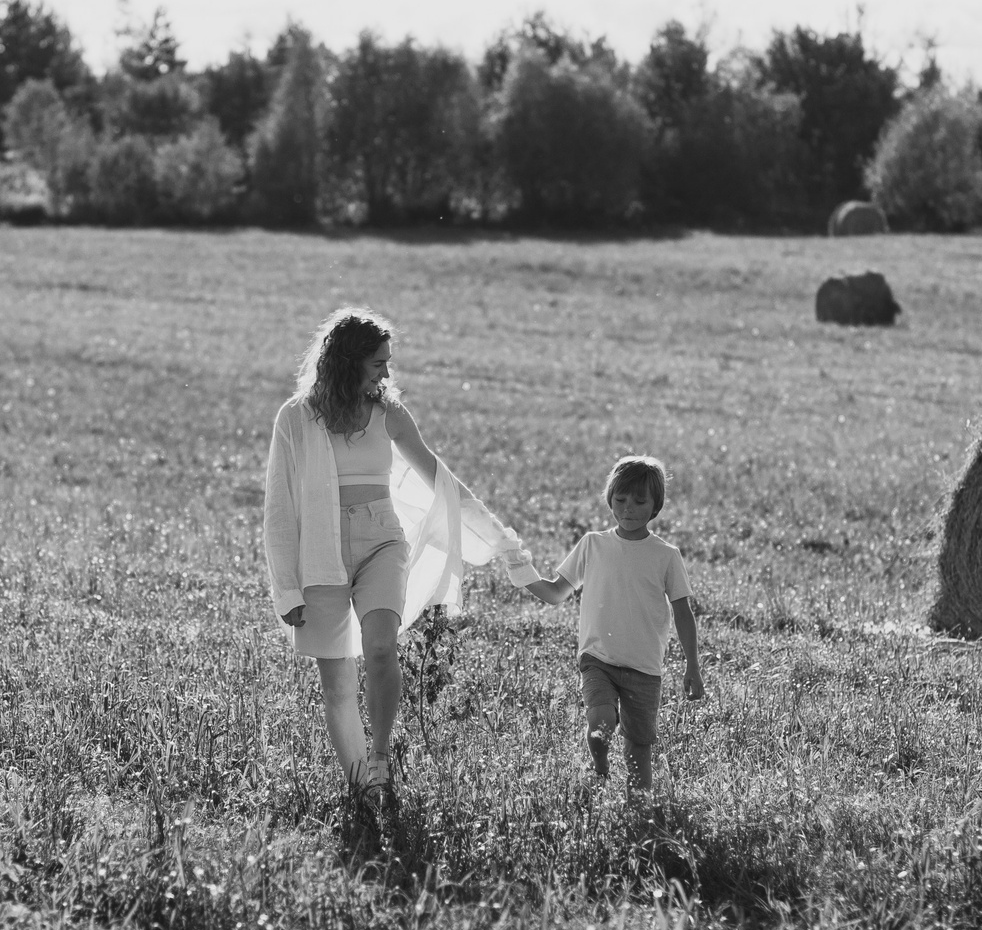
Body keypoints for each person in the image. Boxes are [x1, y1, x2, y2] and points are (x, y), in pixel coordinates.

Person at [263, 306, 515, 795]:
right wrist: (286, 589)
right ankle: (362, 787)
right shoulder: (295, 417)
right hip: (319, 553)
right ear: (348, 361)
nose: (386, 373)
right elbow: (278, 507)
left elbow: (443, 481)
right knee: (337, 685)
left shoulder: (389, 414)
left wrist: (500, 539)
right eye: (378, 362)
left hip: (382, 540)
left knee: (381, 646)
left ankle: (380, 758)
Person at [523, 454, 705, 792]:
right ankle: (601, 767)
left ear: (655, 507)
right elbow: (555, 592)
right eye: (620, 500)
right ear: (610, 500)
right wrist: (522, 572)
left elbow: (683, 612)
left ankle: (639, 811)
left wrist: (692, 665)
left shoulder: (666, 556)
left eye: (639, 501)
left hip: (644, 666)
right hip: (598, 657)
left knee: (639, 750)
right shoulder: (593, 544)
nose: (628, 509)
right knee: (600, 723)